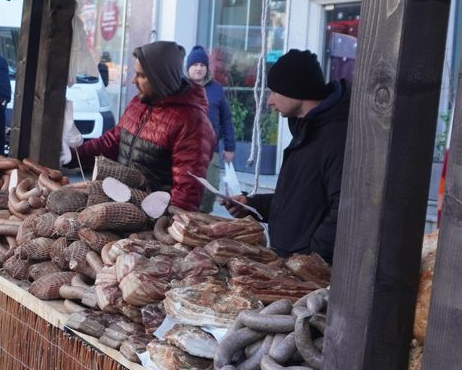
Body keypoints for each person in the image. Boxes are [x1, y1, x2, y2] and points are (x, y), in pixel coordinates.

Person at [226, 49, 350, 262]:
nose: (269, 101)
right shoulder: (305, 129)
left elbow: (344, 211)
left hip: (308, 271)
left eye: (274, 92)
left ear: (295, 90)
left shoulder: (336, 137)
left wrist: (311, 256)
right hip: (288, 262)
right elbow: (299, 200)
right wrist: (251, 205)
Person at [71, 41, 214, 210]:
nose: (133, 80)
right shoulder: (138, 103)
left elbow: (186, 194)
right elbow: (111, 142)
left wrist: (163, 227)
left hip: (153, 219)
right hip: (121, 207)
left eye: (141, 75)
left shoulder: (192, 122)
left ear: (160, 78)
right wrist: (73, 155)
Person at [186, 45, 235, 213]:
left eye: (202, 65)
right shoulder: (180, 88)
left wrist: (230, 147)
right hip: (185, 150)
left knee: (210, 189)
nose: (199, 68)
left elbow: (226, 119)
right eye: (195, 65)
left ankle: (202, 217)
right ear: (188, 68)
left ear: (207, 68)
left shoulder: (217, 89)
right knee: (186, 188)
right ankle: (184, 222)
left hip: (210, 150)